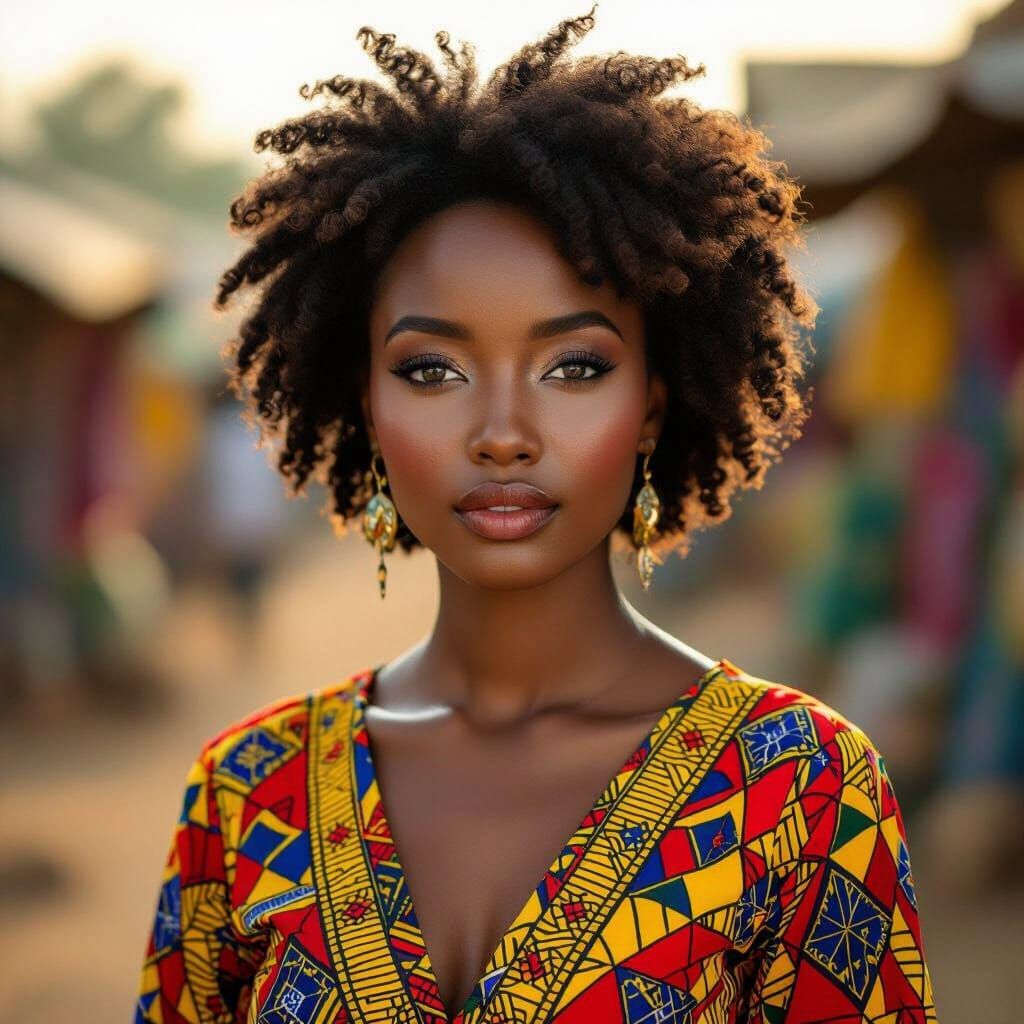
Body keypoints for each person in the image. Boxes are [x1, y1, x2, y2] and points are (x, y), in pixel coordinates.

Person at [135, 7, 937, 1022]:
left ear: (652, 397)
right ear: (367, 401)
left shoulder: (802, 789)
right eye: (432, 369)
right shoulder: (246, 795)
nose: (502, 432)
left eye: (574, 366)